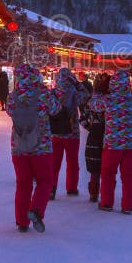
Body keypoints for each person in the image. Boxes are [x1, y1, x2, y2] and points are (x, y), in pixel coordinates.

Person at [7, 63, 61, 233]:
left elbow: (10, 112)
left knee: (23, 184)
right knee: (45, 181)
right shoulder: (43, 94)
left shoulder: (13, 96)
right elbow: (55, 109)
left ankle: (22, 221)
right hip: (41, 146)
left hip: (19, 146)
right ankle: (36, 210)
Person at [98, 71, 132, 214]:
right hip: (131, 143)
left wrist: (100, 89)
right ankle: (128, 205)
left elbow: (94, 105)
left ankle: (107, 202)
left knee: (108, 173)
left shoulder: (107, 99)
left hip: (112, 143)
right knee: (128, 174)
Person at [50, 68, 88, 199]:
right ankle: (71, 187)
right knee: (72, 162)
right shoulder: (74, 92)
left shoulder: (53, 92)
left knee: (54, 163)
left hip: (56, 132)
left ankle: (51, 188)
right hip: (72, 132)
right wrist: (77, 84)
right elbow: (86, 96)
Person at [86, 73, 110, 203]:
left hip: (93, 136)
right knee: (107, 168)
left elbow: (83, 117)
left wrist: (91, 127)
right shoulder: (110, 101)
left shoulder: (91, 100)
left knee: (94, 169)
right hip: (107, 135)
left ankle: (93, 194)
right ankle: (106, 195)